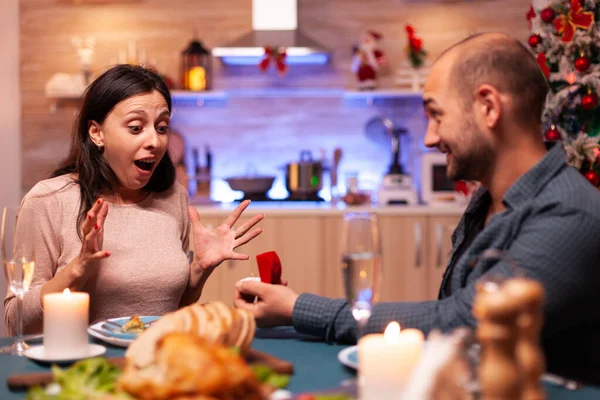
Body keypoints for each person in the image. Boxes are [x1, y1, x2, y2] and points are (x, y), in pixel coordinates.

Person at [235, 33, 600, 382]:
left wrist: (298, 308)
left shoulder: (567, 214)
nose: (429, 137)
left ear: (489, 107)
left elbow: (463, 323)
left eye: (436, 114)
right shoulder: (487, 203)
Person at [5, 64, 263, 335]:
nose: (154, 140)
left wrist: (199, 269)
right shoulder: (48, 201)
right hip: (84, 370)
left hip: (159, 366)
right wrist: (79, 268)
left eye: (161, 127)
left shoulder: (173, 197)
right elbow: (17, 321)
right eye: (136, 127)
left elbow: (169, 307)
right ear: (96, 132)